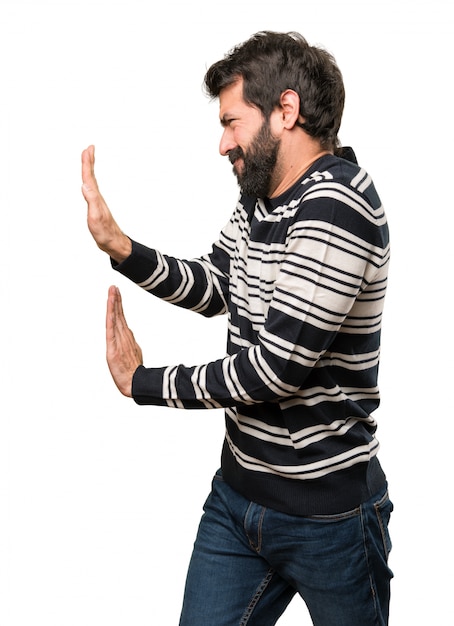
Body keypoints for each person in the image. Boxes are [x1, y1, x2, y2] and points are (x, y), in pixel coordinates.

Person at [81, 31, 393, 626]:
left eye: (231, 122)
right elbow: (216, 285)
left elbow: (272, 372)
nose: (222, 143)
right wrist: (123, 249)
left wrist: (141, 382)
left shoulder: (337, 207)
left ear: (286, 111)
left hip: (327, 520)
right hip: (238, 499)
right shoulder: (262, 198)